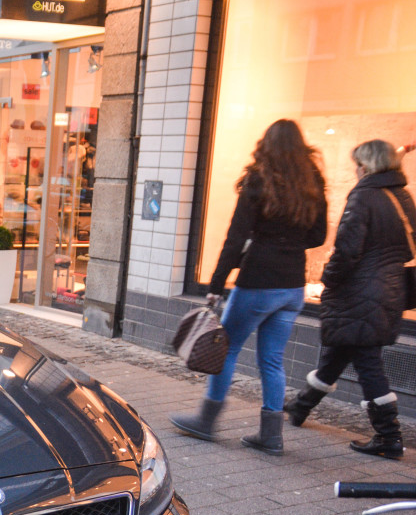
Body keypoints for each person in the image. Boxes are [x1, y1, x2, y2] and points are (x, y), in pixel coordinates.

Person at [170, 119, 327, 455]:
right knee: (272, 360)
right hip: (292, 286)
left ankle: (207, 421)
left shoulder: (259, 180)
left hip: (258, 281)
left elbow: (235, 238)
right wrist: (290, 241)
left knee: (226, 348)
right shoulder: (313, 183)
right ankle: (271, 435)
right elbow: (319, 236)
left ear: (265, 145)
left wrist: (215, 283)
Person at [284, 140, 415, 459]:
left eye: (357, 163)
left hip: (359, 291)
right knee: (341, 350)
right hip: (388, 288)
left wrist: (328, 278)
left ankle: (389, 436)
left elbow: (347, 248)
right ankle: (300, 408)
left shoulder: (364, 195)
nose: (355, 169)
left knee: (367, 362)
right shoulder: (402, 196)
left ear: (366, 166)